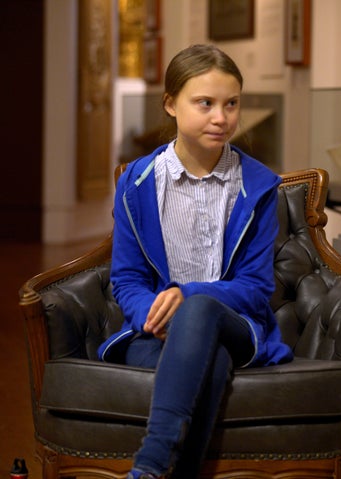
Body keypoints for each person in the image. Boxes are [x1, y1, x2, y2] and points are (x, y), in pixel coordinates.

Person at [97, 44, 293, 479]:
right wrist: (157, 314)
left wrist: (185, 296)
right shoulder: (137, 181)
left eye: (231, 104)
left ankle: (148, 465)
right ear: (170, 103)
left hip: (237, 324)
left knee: (201, 308)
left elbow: (256, 289)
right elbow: (127, 279)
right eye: (204, 103)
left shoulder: (259, 185)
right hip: (155, 330)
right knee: (212, 362)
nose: (220, 117)